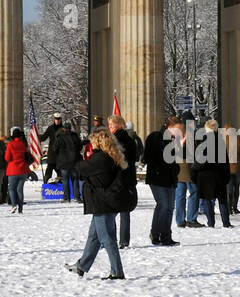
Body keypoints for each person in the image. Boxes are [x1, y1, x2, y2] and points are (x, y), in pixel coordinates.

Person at [65, 130, 128, 280]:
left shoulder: (101, 158)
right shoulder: (111, 156)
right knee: (94, 236)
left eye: (93, 140)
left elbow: (80, 168)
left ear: (100, 142)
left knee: (107, 238)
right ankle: (81, 266)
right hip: (105, 202)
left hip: (102, 203)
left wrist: (76, 152)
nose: (91, 143)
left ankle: (117, 271)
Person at [143, 117, 181, 246]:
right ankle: (155, 233)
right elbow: (147, 156)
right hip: (157, 178)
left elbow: (173, 160)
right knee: (163, 205)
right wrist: (158, 168)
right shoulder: (155, 137)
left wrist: (176, 169)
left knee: (169, 207)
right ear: (170, 127)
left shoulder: (173, 140)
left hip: (169, 178)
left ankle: (166, 236)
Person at [107, 115, 141, 244]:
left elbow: (118, 159)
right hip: (128, 178)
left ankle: (111, 239)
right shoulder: (128, 138)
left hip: (119, 178)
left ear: (120, 125)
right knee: (124, 211)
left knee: (111, 211)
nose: (110, 127)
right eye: (109, 124)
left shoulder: (117, 139)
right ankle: (124, 240)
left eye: (112, 124)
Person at [4, 127, 32, 215]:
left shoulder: (10, 145)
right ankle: (20, 208)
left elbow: (7, 158)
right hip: (23, 169)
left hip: (13, 169)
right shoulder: (23, 144)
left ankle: (13, 205)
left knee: (11, 188)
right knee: (20, 189)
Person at [175, 138, 202, 229]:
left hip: (177, 167)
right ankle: (191, 219)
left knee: (180, 195)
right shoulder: (189, 136)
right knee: (194, 192)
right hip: (188, 166)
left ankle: (180, 220)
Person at [224, 124, 240, 214]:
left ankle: (229, 208)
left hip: (227, 168)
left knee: (229, 188)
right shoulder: (238, 138)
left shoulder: (223, 139)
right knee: (236, 188)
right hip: (238, 167)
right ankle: (235, 207)